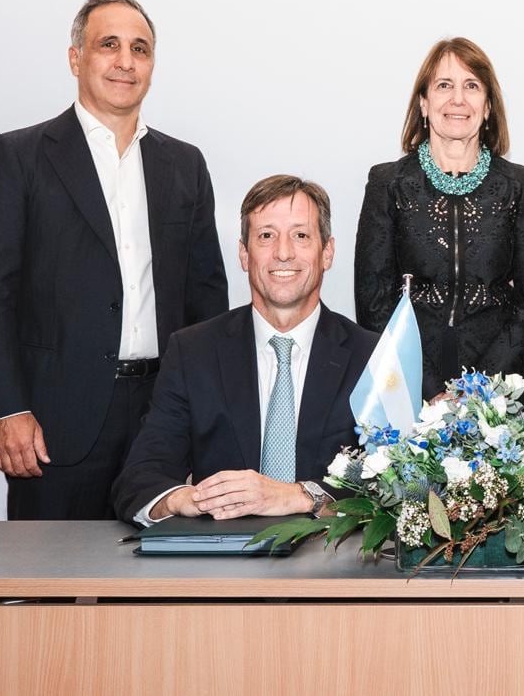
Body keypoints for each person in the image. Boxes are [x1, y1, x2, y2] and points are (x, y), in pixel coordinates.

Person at [0, 0, 229, 520]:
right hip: (54, 421)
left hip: (163, 414)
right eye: (109, 45)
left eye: (140, 49)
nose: (125, 61)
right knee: (46, 593)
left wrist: (208, 415)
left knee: (150, 595)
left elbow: (207, 300)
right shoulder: (20, 156)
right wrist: (6, 409)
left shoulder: (184, 165)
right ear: (75, 58)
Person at [113, 176, 377, 524]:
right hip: (221, 566)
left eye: (301, 235)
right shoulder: (193, 352)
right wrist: (182, 499)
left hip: (330, 564)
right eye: (266, 236)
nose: (283, 252)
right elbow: (140, 478)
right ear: (243, 254)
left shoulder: (371, 357)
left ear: (327, 252)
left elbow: (398, 482)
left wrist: (300, 495)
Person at [354, 38, 524, 400]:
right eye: (444, 85)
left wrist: (479, 388)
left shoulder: (520, 185)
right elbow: (373, 302)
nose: (458, 99)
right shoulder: (388, 183)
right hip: (408, 381)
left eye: (472, 86)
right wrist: (430, 389)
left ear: (488, 106)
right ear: (423, 103)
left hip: (499, 384)